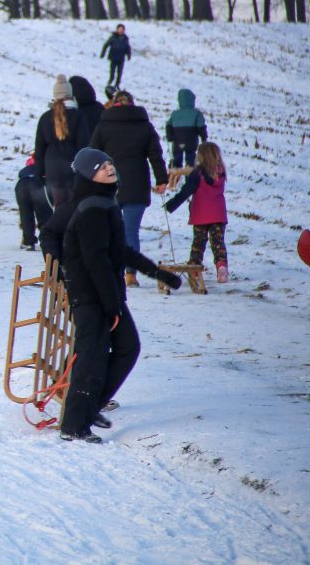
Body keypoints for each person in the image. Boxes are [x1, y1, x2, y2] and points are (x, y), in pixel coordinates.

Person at [59, 148, 181, 443]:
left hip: (105, 292)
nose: (109, 168)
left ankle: (91, 407)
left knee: (128, 347)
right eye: (101, 166)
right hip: (90, 294)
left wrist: (157, 273)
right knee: (91, 358)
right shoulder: (91, 209)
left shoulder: (105, 203)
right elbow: (96, 261)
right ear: (89, 175)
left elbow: (119, 251)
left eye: (110, 162)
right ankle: (73, 425)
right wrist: (112, 305)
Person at [89, 90, 167, 286]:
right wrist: (161, 179)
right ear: (133, 105)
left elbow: (93, 156)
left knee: (108, 230)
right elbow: (155, 155)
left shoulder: (103, 126)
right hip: (136, 185)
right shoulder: (144, 126)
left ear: (114, 104)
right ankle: (130, 275)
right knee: (131, 231)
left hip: (108, 186)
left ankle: (111, 271)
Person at [165, 142, 229, 282]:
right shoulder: (221, 171)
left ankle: (194, 269)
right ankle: (222, 267)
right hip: (218, 214)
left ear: (200, 156)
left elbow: (186, 191)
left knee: (198, 243)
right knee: (218, 242)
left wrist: (170, 205)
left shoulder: (197, 174)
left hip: (201, 215)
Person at [33, 74, 90, 206]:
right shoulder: (78, 116)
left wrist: (39, 173)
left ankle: (59, 225)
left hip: (52, 169)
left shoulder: (45, 118)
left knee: (59, 207)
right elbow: (84, 146)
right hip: (72, 169)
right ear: (70, 94)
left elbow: (39, 149)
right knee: (74, 206)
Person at [15, 155, 52, 250]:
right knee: (44, 214)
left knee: (26, 214)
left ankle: (28, 242)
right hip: (36, 185)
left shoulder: (27, 167)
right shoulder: (47, 164)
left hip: (21, 185)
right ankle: (47, 241)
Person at [165, 89, 208, 169]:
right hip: (191, 141)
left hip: (177, 142)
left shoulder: (175, 114)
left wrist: (169, 136)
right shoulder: (196, 113)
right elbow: (201, 126)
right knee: (191, 159)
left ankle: (174, 176)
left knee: (177, 159)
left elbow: (168, 125)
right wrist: (204, 138)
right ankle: (190, 177)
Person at [99, 24, 131, 92]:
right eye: (119, 29)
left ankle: (117, 84)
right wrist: (103, 54)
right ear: (117, 29)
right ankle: (109, 83)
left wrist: (129, 55)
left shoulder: (125, 39)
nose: (120, 31)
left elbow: (128, 48)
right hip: (113, 57)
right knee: (112, 72)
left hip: (121, 58)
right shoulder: (113, 37)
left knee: (119, 73)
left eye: (122, 29)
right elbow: (106, 45)